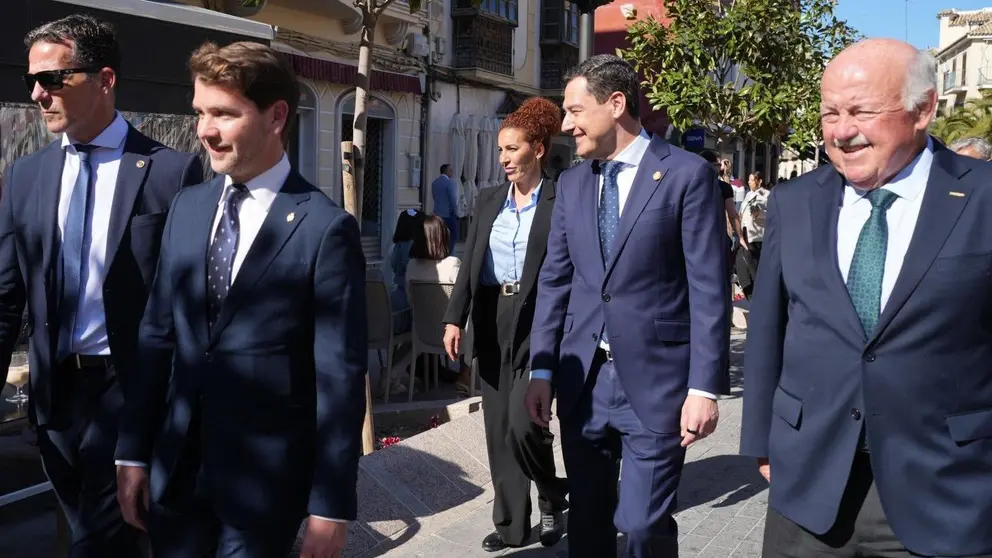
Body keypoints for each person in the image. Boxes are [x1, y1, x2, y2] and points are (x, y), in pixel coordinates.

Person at [114, 41, 367, 558]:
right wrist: (133, 453)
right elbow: (157, 335)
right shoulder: (188, 206)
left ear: (276, 116)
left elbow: (338, 381)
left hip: (263, 490)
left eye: (224, 114)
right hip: (176, 477)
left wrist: (330, 506)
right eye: (201, 113)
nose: (205, 130)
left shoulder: (324, 229)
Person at [741, 39, 992, 558]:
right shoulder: (795, 202)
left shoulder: (984, 196)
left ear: (923, 109)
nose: (840, 131)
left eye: (861, 111)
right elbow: (769, 330)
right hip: (808, 484)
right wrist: (761, 440)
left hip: (947, 487)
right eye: (829, 112)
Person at [0, 15, 202, 557]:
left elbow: (191, 301)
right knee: (103, 532)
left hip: (131, 393)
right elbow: (5, 295)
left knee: (98, 542)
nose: (40, 95)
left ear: (106, 80)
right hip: (55, 399)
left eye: (55, 79)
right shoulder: (26, 176)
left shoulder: (171, 172)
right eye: (32, 82)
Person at [526, 55, 731, 558]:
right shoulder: (571, 184)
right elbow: (555, 282)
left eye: (575, 110)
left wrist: (705, 387)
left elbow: (709, 288)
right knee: (590, 524)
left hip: (659, 383)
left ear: (616, 104)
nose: (566, 124)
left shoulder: (685, 175)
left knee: (641, 525)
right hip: (583, 385)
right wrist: (541, 368)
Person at [444, 97, 569, 552]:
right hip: (492, 315)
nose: (503, 159)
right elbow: (472, 262)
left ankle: (553, 497)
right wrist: (453, 318)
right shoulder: (489, 200)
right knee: (498, 428)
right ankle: (512, 525)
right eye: (500, 150)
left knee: (524, 424)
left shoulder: (561, 197)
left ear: (538, 148)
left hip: (540, 318)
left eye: (512, 149)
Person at [406, 215, 470, 395]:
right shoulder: (453, 264)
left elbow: (410, 298)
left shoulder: (412, 266)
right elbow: (463, 299)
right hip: (453, 332)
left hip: (424, 331)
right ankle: (464, 374)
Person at [736, 172, 770, 299]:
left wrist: (759, 213)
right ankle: (751, 289)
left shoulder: (766, 194)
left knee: (753, 262)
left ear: (759, 181)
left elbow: (770, 213)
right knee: (745, 260)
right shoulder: (748, 194)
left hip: (756, 234)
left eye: (752, 180)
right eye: (749, 180)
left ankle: (758, 289)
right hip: (746, 231)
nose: (749, 182)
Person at [432, 163, 459, 253]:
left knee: (439, 235)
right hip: (448, 213)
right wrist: (456, 212)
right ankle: (448, 252)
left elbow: (434, 197)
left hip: (437, 213)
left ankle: (439, 251)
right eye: (450, 170)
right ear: (446, 171)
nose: (452, 172)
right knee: (453, 235)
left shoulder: (435, 183)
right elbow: (453, 198)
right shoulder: (450, 183)